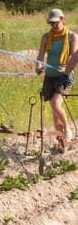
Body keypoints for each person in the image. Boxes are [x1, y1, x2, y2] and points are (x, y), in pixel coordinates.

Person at [35, 8, 78, 143]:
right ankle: (61, 141)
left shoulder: (72, 36)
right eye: (51, 23)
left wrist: (66, 68)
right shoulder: (46, 37)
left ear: (62, 20)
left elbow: (74, 56)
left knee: (55, 104)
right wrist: (38, 66)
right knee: (54, 112)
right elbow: (41, 56)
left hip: (65, 76)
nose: (53, 25)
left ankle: (67, 130)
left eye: (56, 22)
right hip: (50, 76)